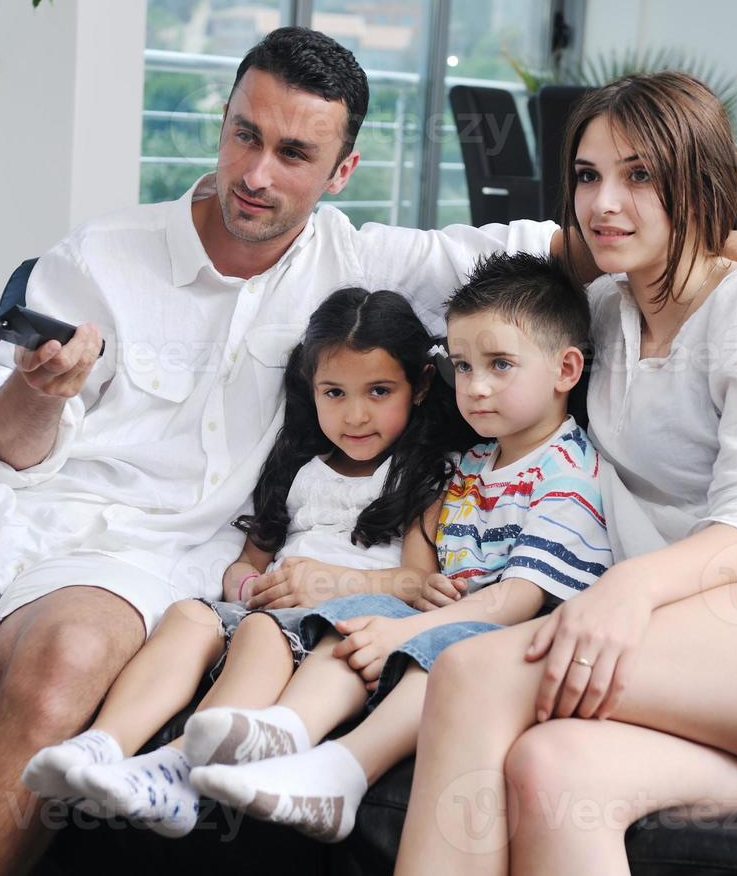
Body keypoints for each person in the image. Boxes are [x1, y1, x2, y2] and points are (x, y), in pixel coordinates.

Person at [0, 26, 737, 876]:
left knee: (65, 661)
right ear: (224, 119)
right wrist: (40, 398)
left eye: (295, 153)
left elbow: (571, 237)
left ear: (339, 173)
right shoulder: (100, 249)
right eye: (246, 133)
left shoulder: (369, 260)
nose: (257, 172)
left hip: (131, 558)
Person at [393, 72, 737, 875]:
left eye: (640, 174)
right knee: (554, 771)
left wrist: (628, 590)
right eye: (588, 176)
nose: (604, 202)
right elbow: (485, 291)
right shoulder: (609, 315)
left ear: (698, 184)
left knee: (477, 672)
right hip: (727, 676)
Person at [179, 252, 612, 843]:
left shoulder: (571, 472)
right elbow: (417, 568)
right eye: (463, 366)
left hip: (518, 641)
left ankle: (343, 770)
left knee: (444, 657)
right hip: (445, 621)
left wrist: (403, 630)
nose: (476, 387)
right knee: (349, 625)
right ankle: (280, 731)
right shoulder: (469, 462)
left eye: (500, 365)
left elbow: (516, 600)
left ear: (566, 370)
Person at [20, 285, 471, 836]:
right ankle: (102, 745)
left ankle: (178, 772)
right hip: (273, 614)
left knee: (259, 632)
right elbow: (250, 558)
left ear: (420, 385)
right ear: (312, 389)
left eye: (379, 391)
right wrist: (246, 584)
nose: (355, 415)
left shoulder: (418, 474)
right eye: (334, 393)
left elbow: (417, 580)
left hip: (345, 624)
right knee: (188, 614)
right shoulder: (300, 468)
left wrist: (328, 583)